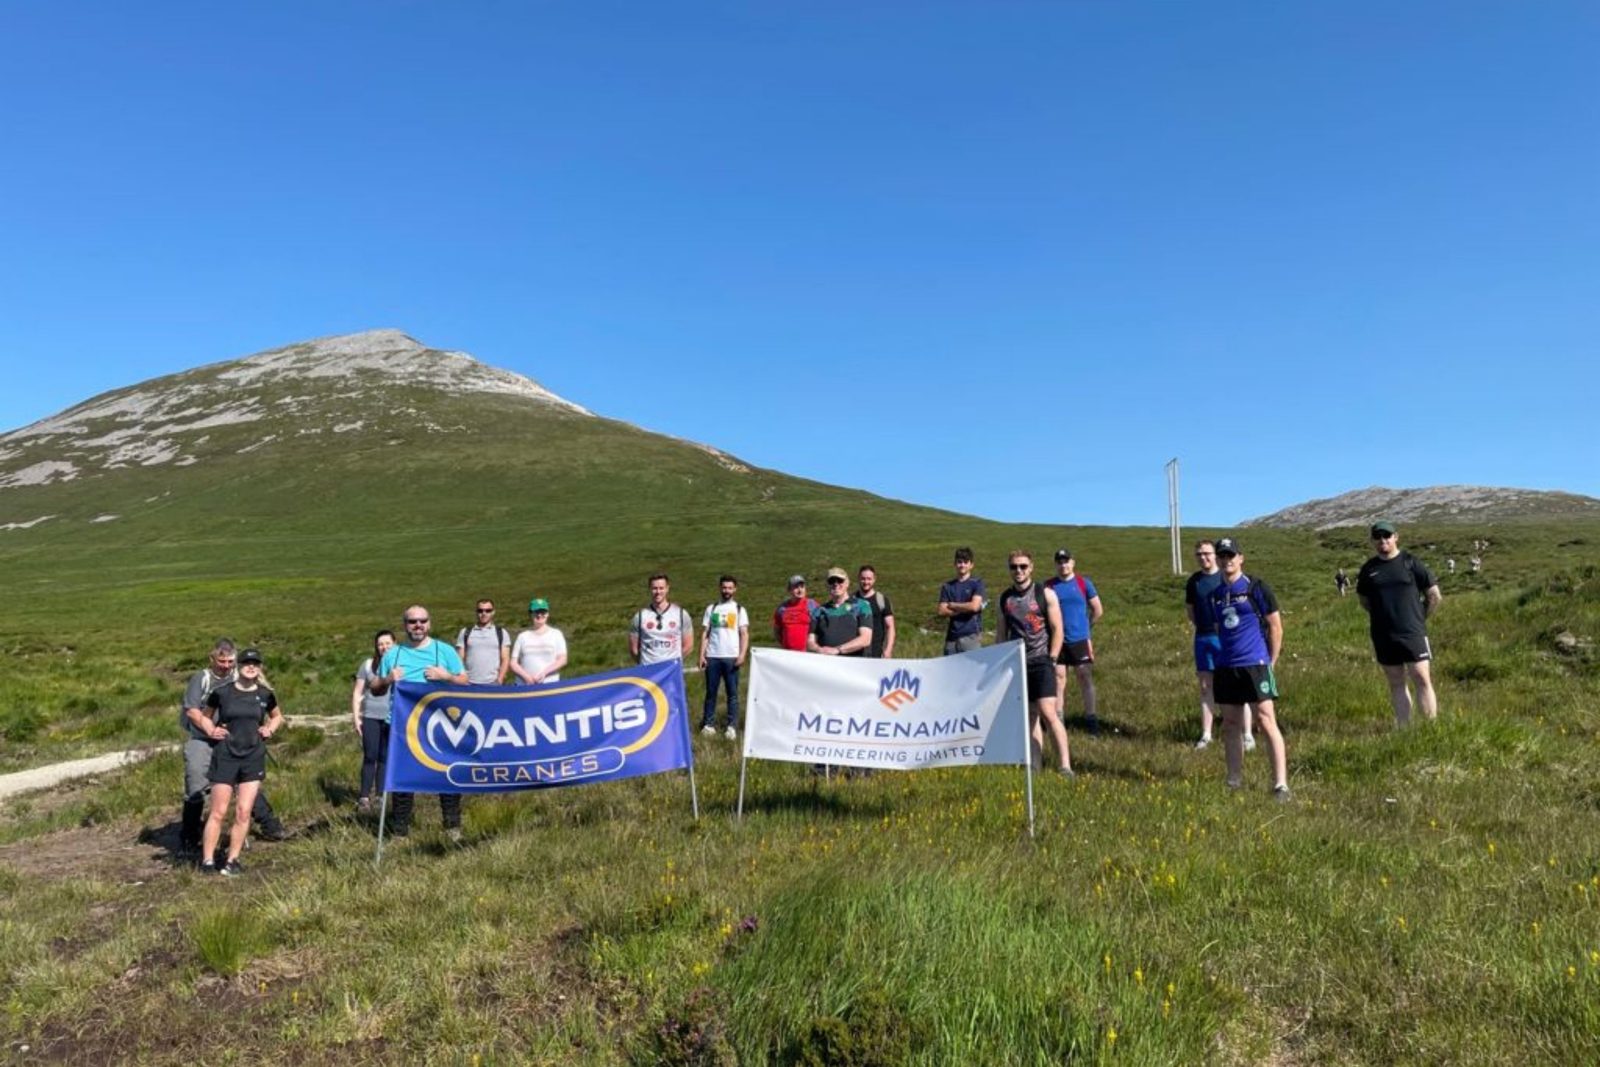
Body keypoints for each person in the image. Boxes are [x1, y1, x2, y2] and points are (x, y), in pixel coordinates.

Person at [178, 638, 285, 855]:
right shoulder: (202, 679)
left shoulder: (242, 674)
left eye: (230, 662)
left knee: (245, 782)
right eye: (222, 661)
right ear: (212, 659)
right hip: (203, 738)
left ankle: (269, 824)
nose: (226, 666)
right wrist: (210, 729)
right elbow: (192, 710)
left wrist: (266, 727)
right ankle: (189, 836)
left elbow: (267, 699)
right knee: (196, 782)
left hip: (235, 740)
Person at [373, 605, 469, 840]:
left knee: (446, 774)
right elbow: (374, 688)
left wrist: (445, 676)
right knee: (403, 779)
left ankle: (452, 828)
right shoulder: (392, 654)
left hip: (438, 725)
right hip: (400, 726)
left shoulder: (444, 651)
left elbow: (465, 681)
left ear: (429, 623)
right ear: (405, 625)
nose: (418, 626)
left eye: (422, 621)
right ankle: (400, 831)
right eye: (412, 622)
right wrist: (387, 679)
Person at [1205, 538, 1289, 800]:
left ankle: (1280, 784)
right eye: (1222, 556)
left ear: (1241, 558)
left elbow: (1275, 626)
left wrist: (1271, 661)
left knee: (1265, 720)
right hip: (1226, 666)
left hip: (1255, 664)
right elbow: (1219, 628)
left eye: (1231, 555)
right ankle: (1233, 781)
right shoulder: (1215, 596)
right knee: (1230, 724)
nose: (1226, 560)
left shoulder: (1256, 587)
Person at [1356, 521, 1443, 727]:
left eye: (1387, 535)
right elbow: (1364, 600)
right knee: (1396, 682)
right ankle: (1404, 730)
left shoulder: (1410, 562)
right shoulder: (1369, 569)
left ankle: (1430, 728)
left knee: (1421, 678)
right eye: (1377, 537)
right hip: (1384, 635)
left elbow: (1434, 595)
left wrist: (1419, 618)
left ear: (1396, 537)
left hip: (1413, 632)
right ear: (1372, 541)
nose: (1382, 540)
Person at [998, 551, 1072, 776]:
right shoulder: (1005, 599)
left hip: (1041, 660)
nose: (1018, 571)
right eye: (1013, 567)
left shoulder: (1045, 593)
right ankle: (1035, 767)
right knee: (1030, 716)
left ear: (1031, 568)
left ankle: (1065, 765)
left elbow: (1058, 628)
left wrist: (1052, 658)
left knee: (1048, 712)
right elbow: (1001, 635)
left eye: (1022, 566)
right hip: (1018, 663)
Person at [1185, 540, 1253, 751]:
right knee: (1206, 686)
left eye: (1206, 553)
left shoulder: (1224, 577)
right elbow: (1191, 610)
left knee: (1238, 686)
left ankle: (1247, 733)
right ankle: (1206, 734)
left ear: (1215, 555)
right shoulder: (1194, 581)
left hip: (1227, 639)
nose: (1203, 557)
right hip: (1203, 637)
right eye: (1199, 554)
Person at [1045, 548, 1104, 733]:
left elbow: (1097, 610)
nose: (1063, 565)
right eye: (1060, 562)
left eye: (1066, 561)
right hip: (1057, 640)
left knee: (1084, 676)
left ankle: (1091, 719)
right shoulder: (1048, 586)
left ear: (1073, 562)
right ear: (1055, 564)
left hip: (1079, 640)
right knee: (1058, 679)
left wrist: (1086, 629)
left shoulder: (1083, 583)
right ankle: (1058, 720)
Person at [351, 629, 396, 814]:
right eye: (380, 644)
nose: (384, 647)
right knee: (370, 756)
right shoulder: (368, 665)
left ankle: (380, 796)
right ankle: (364, 797)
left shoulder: (400, 666)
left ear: (394, 644)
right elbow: (357, 692)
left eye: (387, 643)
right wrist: (356, 717)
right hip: (370, 716)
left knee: (385, 757)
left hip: (391, 717)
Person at [698, 576, 749, 738]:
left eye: (730, 588)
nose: (726, 591)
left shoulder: (739, 609)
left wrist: (742, 654)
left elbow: (744, 634)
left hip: (731, 658)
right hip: (712, 657)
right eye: (724, 587)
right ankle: (708, 724)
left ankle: (732, 726)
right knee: (710, 693)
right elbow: (705, 633)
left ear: (735, 589)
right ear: (720, 588)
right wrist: (702, 655)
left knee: (732, 694)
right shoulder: (712, 608)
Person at [630, 574, 695, 666]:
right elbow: (634, 650)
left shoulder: (681, 614)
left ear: (667, 588)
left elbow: (688, 646)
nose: (658, 592)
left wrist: (672, 664)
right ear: (649, 589)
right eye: (654, 588)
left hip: (670, 672)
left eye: (661, 588)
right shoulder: (640, 616)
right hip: (648, 672)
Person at [807, 567, 872, 657]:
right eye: (831, 581)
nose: (836, 584)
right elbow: (810, 641)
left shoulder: (862, 606)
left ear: (847, 583)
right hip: (826, 664)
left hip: (854, 665)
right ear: (827, 585)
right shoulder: (819, 611)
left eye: (840, 580)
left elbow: (865, 639)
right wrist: (819, 649)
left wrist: (838, 650)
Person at [938, 547, 986, 655]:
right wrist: (965, 608)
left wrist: (953, 605)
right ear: (955, 564)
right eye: (959, 562)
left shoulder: (977, 583)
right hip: (951, 638)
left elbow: (974, 606)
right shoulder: (947, 586)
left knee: (972, 669)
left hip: (971, 636)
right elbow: (941, 610)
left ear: (971, 565)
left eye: (965, 562)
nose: (962, 565)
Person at [510, 598, 568, 685]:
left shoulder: (556, 634)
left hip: (550, 684)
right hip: (524, 686)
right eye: (536, 612)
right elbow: (513, 663)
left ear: (548, 614)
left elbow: (562, 659)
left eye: (543, 612)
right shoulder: (522, 636)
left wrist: (544, 673)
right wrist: (527, 677)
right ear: (530, 614)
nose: (540, 615)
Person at [455, 598, 510, 685]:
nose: (484, 613)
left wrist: (500, 679)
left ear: (493, 612)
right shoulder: (465, 632)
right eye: (480, 610)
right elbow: (459, 659)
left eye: (488, 610)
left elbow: (505, 659)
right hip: (468, 683)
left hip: (493, 683)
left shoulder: (501, 633)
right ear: (476, 612)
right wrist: (462, 677)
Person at [854, 564, 896, 659]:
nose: (866, 582)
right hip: (854, 654)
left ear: (874, 579)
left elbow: (890, 626)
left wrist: (888, 650)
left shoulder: (881, 600)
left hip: (876, 654)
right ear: (858, 579)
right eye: (863, 578)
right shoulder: (852, 600)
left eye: (869, 579)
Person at [773, 575, 819, 652]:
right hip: (788, 654)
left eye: (802, 587)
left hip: (807, 654)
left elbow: (820, 628)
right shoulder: (782, 609)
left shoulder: (813, 605)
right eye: (796, 587)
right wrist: (784, 645)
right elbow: (777, 631)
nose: (800, 590)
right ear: (789, 590)